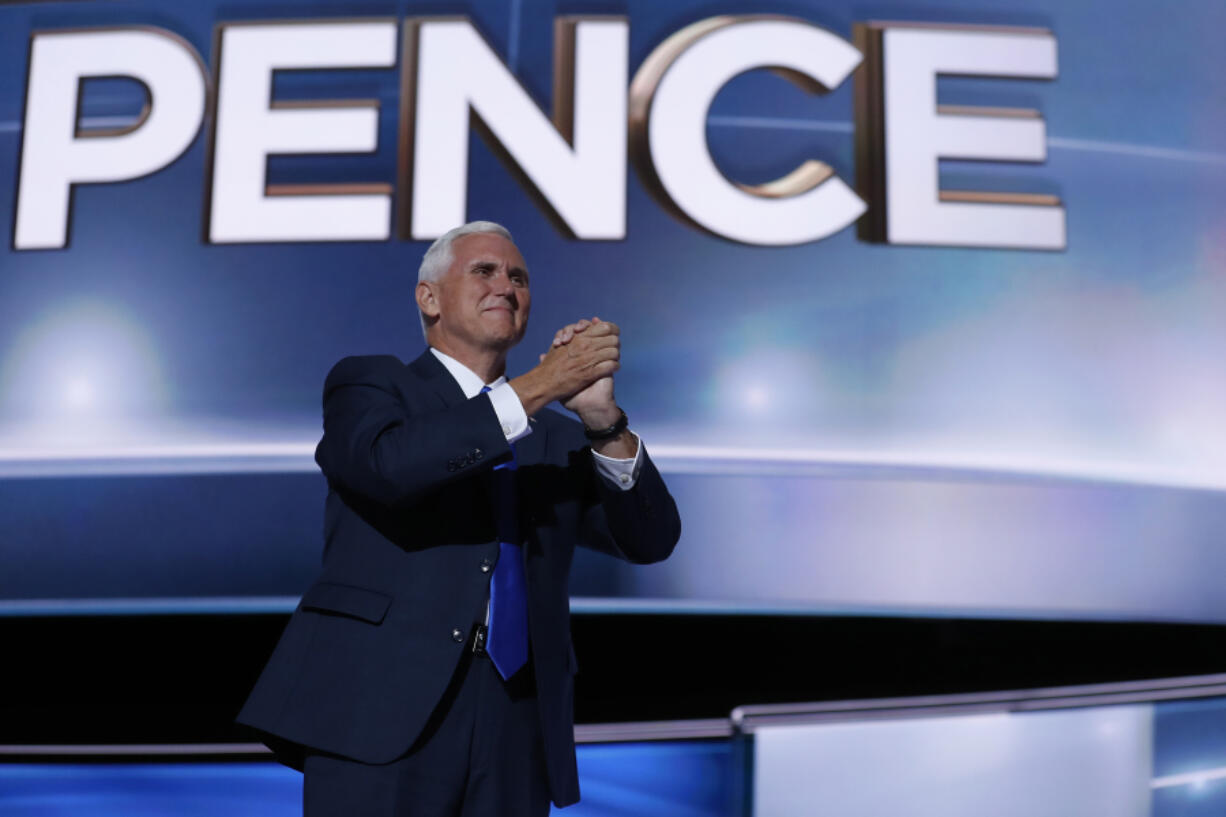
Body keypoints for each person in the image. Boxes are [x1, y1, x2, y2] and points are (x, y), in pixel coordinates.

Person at [237, 221, 681, 816]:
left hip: (516, 718)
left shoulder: (556, 435)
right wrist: (544, 383)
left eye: (519, 277)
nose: (507, 285)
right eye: (484, 271)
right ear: (429, 298)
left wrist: (602, 420)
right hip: (381, 706)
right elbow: (391, 468)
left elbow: (650, 539)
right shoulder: (372, 385)